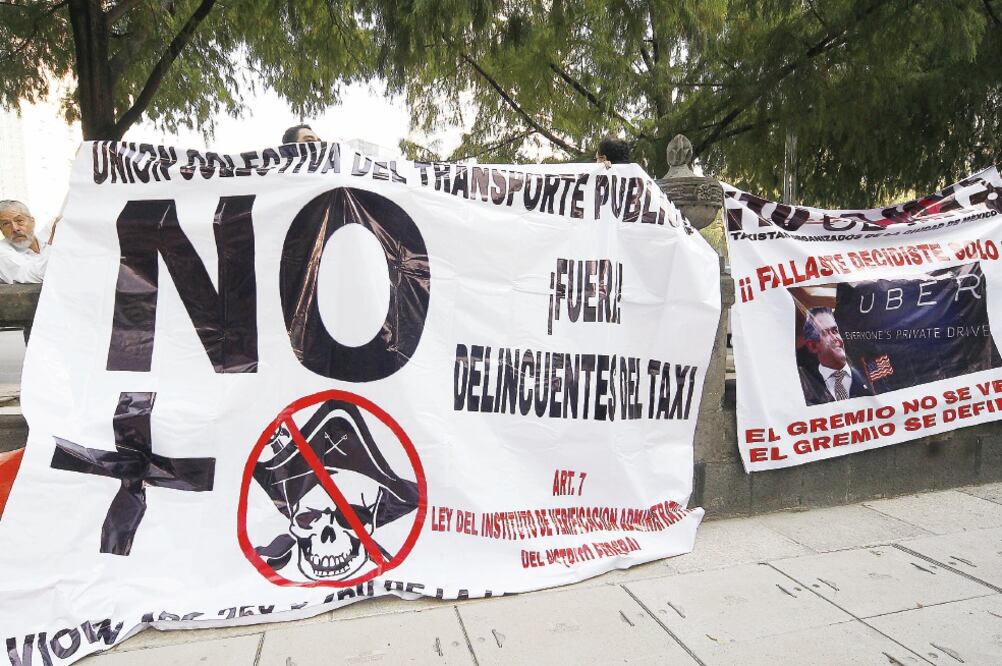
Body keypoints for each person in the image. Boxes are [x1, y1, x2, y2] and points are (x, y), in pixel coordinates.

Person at [798, 306, 871, 405]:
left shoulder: (863, 369)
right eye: (825, 333)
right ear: (812, 345)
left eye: (835, 331)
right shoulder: (804, 379)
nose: (835, 338)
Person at [0, 200, 52, 284]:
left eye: (19, 221)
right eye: (6, 224)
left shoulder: (45, 240)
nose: (15, 228)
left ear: (32, 221)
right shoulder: (2, 252)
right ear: (1, 230)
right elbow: (37, 275)